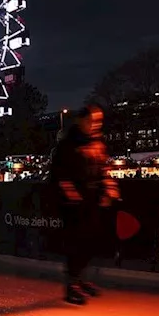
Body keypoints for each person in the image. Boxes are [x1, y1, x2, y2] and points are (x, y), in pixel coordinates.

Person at [47, 105, 118, 305]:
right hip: (73, 204)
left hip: (92, 200)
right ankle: (72, 284)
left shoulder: (97, 143)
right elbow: (59, 174)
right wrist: (72, 196)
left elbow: (103, 167)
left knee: (91, 241)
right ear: (82, 121)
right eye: (92, 121)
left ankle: (80, 279)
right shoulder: (68, 145)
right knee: (76, 242)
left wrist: (109, 188)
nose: (96, 125)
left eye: (98, 121)